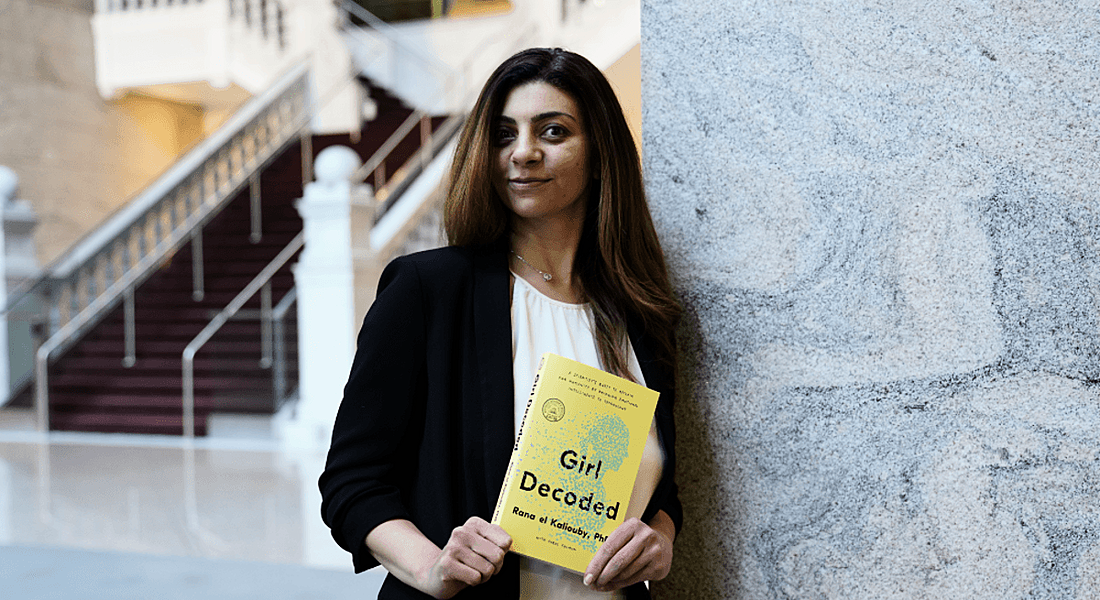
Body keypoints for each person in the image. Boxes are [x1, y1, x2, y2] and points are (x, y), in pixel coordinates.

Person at [319, 47, 683, 600]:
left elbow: (658, 484)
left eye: (553, 132)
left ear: (600, 151)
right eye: (504, 134)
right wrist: (431, 566)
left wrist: (660, 537)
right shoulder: (429, 290)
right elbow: (352, 483)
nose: (524, 153)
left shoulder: (640, 311)